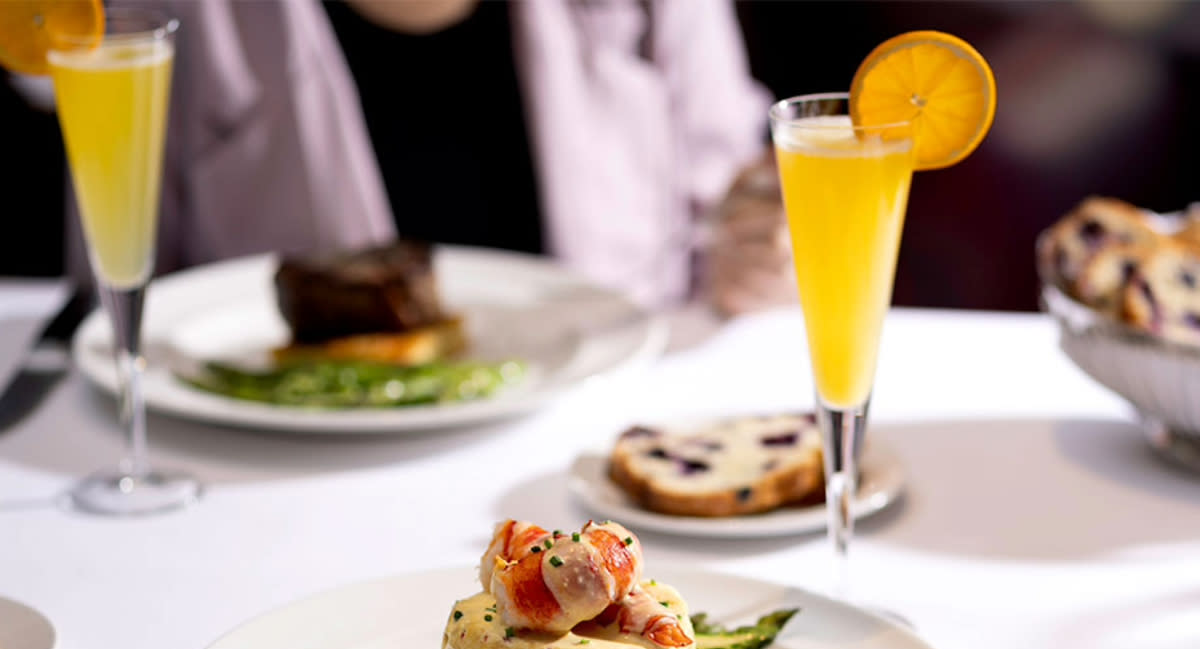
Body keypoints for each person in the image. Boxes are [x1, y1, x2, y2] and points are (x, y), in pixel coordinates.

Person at [62, 0, 792, 314]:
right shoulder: (160, 19)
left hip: (596, 441)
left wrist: (759, 249)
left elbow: (729, 212)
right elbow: (115, 284)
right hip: (279, 475)